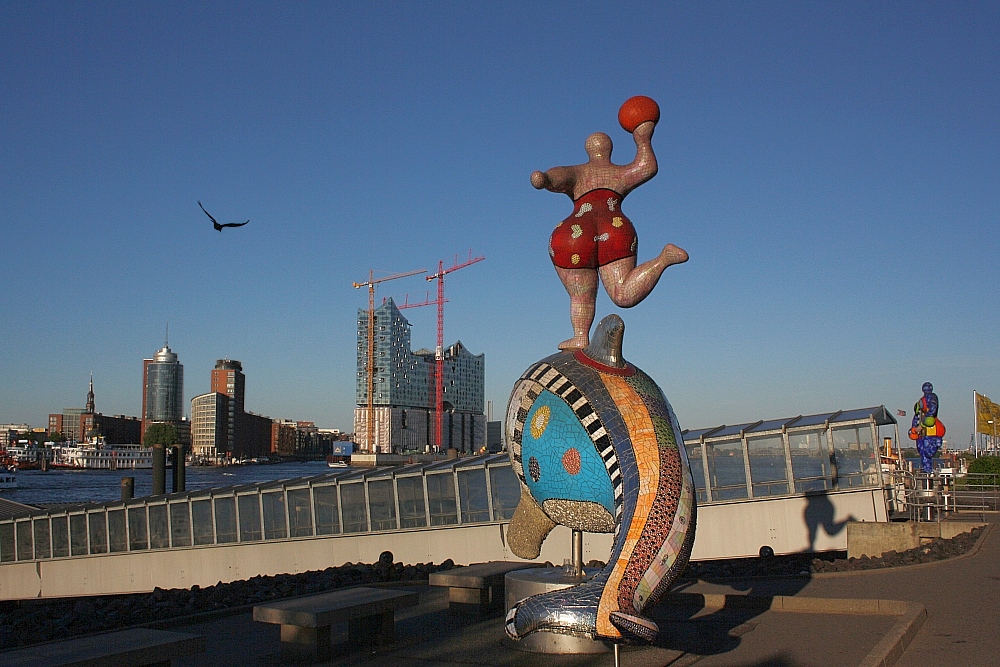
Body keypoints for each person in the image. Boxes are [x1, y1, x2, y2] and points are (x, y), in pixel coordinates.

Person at [532, 121, 688, 350]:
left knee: (580, 295)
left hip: (576, 233)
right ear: (609, 150)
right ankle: (663, 259)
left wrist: (544, 179)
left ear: (588, 150)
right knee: (623, 294)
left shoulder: (579, 172)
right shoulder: (619, 173)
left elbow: (559, 176)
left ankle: (580, 335)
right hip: (615, 228)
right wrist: (642, 137)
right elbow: (646, 167)